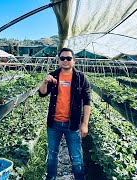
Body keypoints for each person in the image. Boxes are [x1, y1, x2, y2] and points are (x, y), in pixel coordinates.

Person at [38, 47, 91, 180]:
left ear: (74, 60)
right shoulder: (53, 75)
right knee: (52, 155)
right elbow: (42, 93)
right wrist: (44, 82)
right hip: (54, 123)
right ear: (58, 60)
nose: (65, 61)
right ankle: (51, 178)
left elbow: (87, 102)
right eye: (62, 58)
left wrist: (84, 124)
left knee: (77, 157)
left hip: (72, 125)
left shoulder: (81, 78)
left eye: (68, 58)